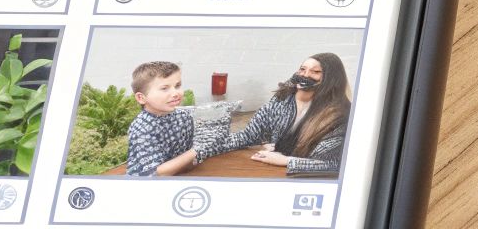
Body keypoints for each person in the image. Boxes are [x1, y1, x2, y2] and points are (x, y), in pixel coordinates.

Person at [208, 53, 350, 176]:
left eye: (315, 72)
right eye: (302, 69)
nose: (305, 75)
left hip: (306, 180)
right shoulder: (281, 99)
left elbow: (332, 164)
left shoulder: (339, 115)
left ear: (331, 79)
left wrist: (286, 160)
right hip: (269, 171)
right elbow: (248, 135)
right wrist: (207, 147)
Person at [124, 61, 220, 177]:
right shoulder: (142, 128)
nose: (175, 93)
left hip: (179, 177)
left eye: (177, 86)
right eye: (165, 88)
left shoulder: (183, 117)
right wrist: (198, 148)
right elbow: (153, 174)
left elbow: (187, 160)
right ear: (141, 98)